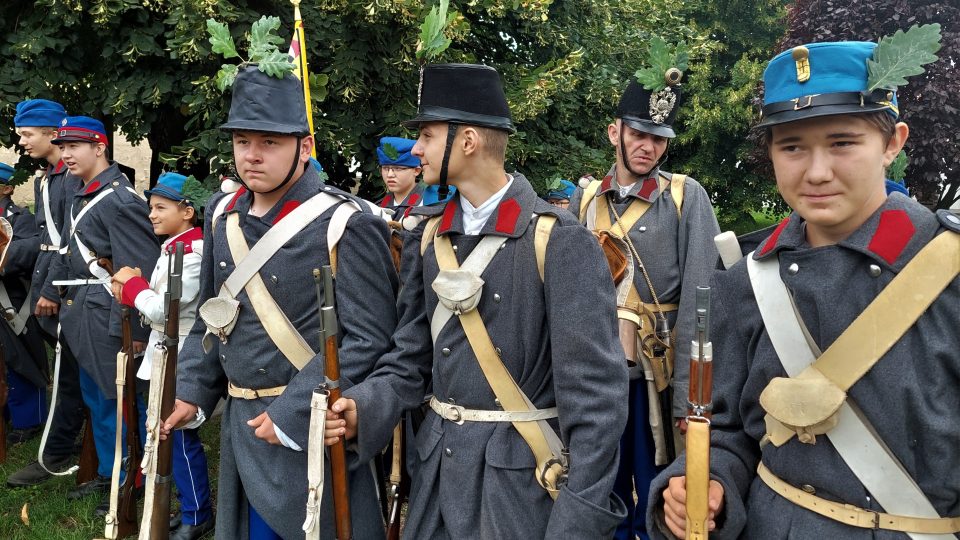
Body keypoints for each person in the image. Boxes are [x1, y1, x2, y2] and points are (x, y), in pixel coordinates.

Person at [648, 34, 959, 539]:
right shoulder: (744, 282)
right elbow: (728, 431)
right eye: (792, 146)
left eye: (842, 142)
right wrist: (707, 487)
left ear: (893, 142)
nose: (816, 172)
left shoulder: (948, 270)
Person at [325, 62, 629, 538]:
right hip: (437, 480)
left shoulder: (559, 241)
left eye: (426, 135)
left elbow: (596, 405)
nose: (417, 149)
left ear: (466, 141)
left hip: (520, 490)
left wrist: (576, 523)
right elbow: (409, 359)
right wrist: (364, 406)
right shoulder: (430, 238)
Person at [159, 64, 398, 540]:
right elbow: (214, 315)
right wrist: (192, 389)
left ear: (303, 148)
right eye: (242, 142)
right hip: (241, 425)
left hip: (310, 427)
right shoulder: (222, 214)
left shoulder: (345, 222)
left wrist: (292, 414)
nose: (251, 156)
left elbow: (371, 338)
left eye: (269, 142)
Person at [568, 71, 720, 540]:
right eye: (639, 134)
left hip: (655, 378)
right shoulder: (584, 199)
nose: (648, 147)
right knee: (597, 487)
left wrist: (688, 398)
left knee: (657, 493)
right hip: (595, 375)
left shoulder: (684, 197)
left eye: (658, 138)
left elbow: (702, 298)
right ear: (615, 132)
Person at [50, 116, 156, 513]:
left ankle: (131, 481)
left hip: (107, 316)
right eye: (62, 147)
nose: (66, 154)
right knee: (99, 399)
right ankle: (112, 473)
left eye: (75, 146)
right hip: (82, 313)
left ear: (100, 147)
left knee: (118, 400)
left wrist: (133, 331)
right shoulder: (81, 191)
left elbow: (137, 270)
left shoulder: (120, 200)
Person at [110, 171, 214, 540]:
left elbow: (162, 311)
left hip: (181, 353)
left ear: (187, 211)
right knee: (165, 433)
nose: (151, 214)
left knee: (179, 434)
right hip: (164, 350)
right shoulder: (174, 247)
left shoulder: (194, 253)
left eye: (160, 207)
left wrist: (132, 285)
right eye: (151, 207)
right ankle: (186, 506)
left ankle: (197, 513)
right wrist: (135, 289)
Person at [7, 98, 86, 488]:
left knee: (69, 375)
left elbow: (71, 241)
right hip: (50, 282)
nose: (21, 141)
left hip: (68, 289)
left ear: (54, 133)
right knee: (68, 374)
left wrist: (51, 288)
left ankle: (55, 453)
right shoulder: (50, 178)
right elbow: (43, 237)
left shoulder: (71, 179)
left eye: (27, 134)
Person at [0, 163, 48, 448]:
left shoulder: (21, 218)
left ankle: (28, 419)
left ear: (7, 188)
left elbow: (32, 253)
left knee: (20, 361)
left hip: (13, 302)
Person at [377, 136, 425, 220]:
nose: (390, 174)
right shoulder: (378, 208)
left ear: (416, 171)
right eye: (385, 168)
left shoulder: (429, 203)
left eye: (398, 168)